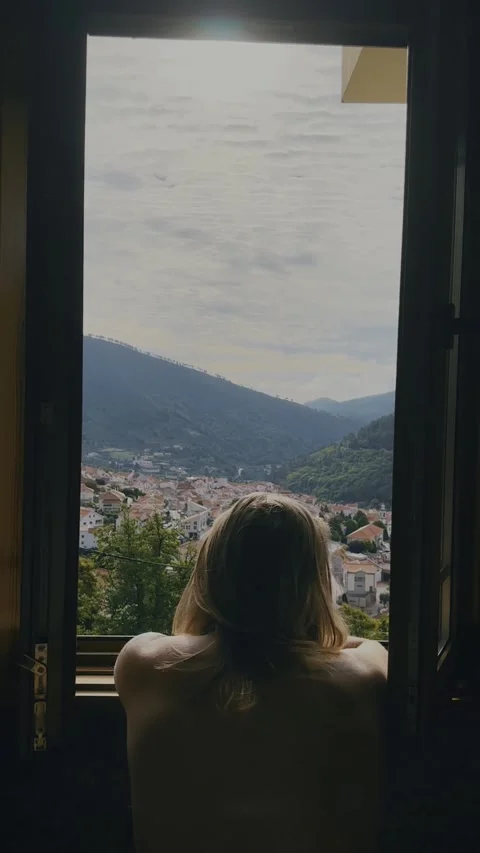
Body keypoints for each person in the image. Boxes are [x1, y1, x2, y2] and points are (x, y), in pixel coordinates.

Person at [115, 493, 388, 853]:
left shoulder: (144, 664)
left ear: (210, 569)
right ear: (312, 583)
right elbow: (359, 647)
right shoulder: (360, 677)